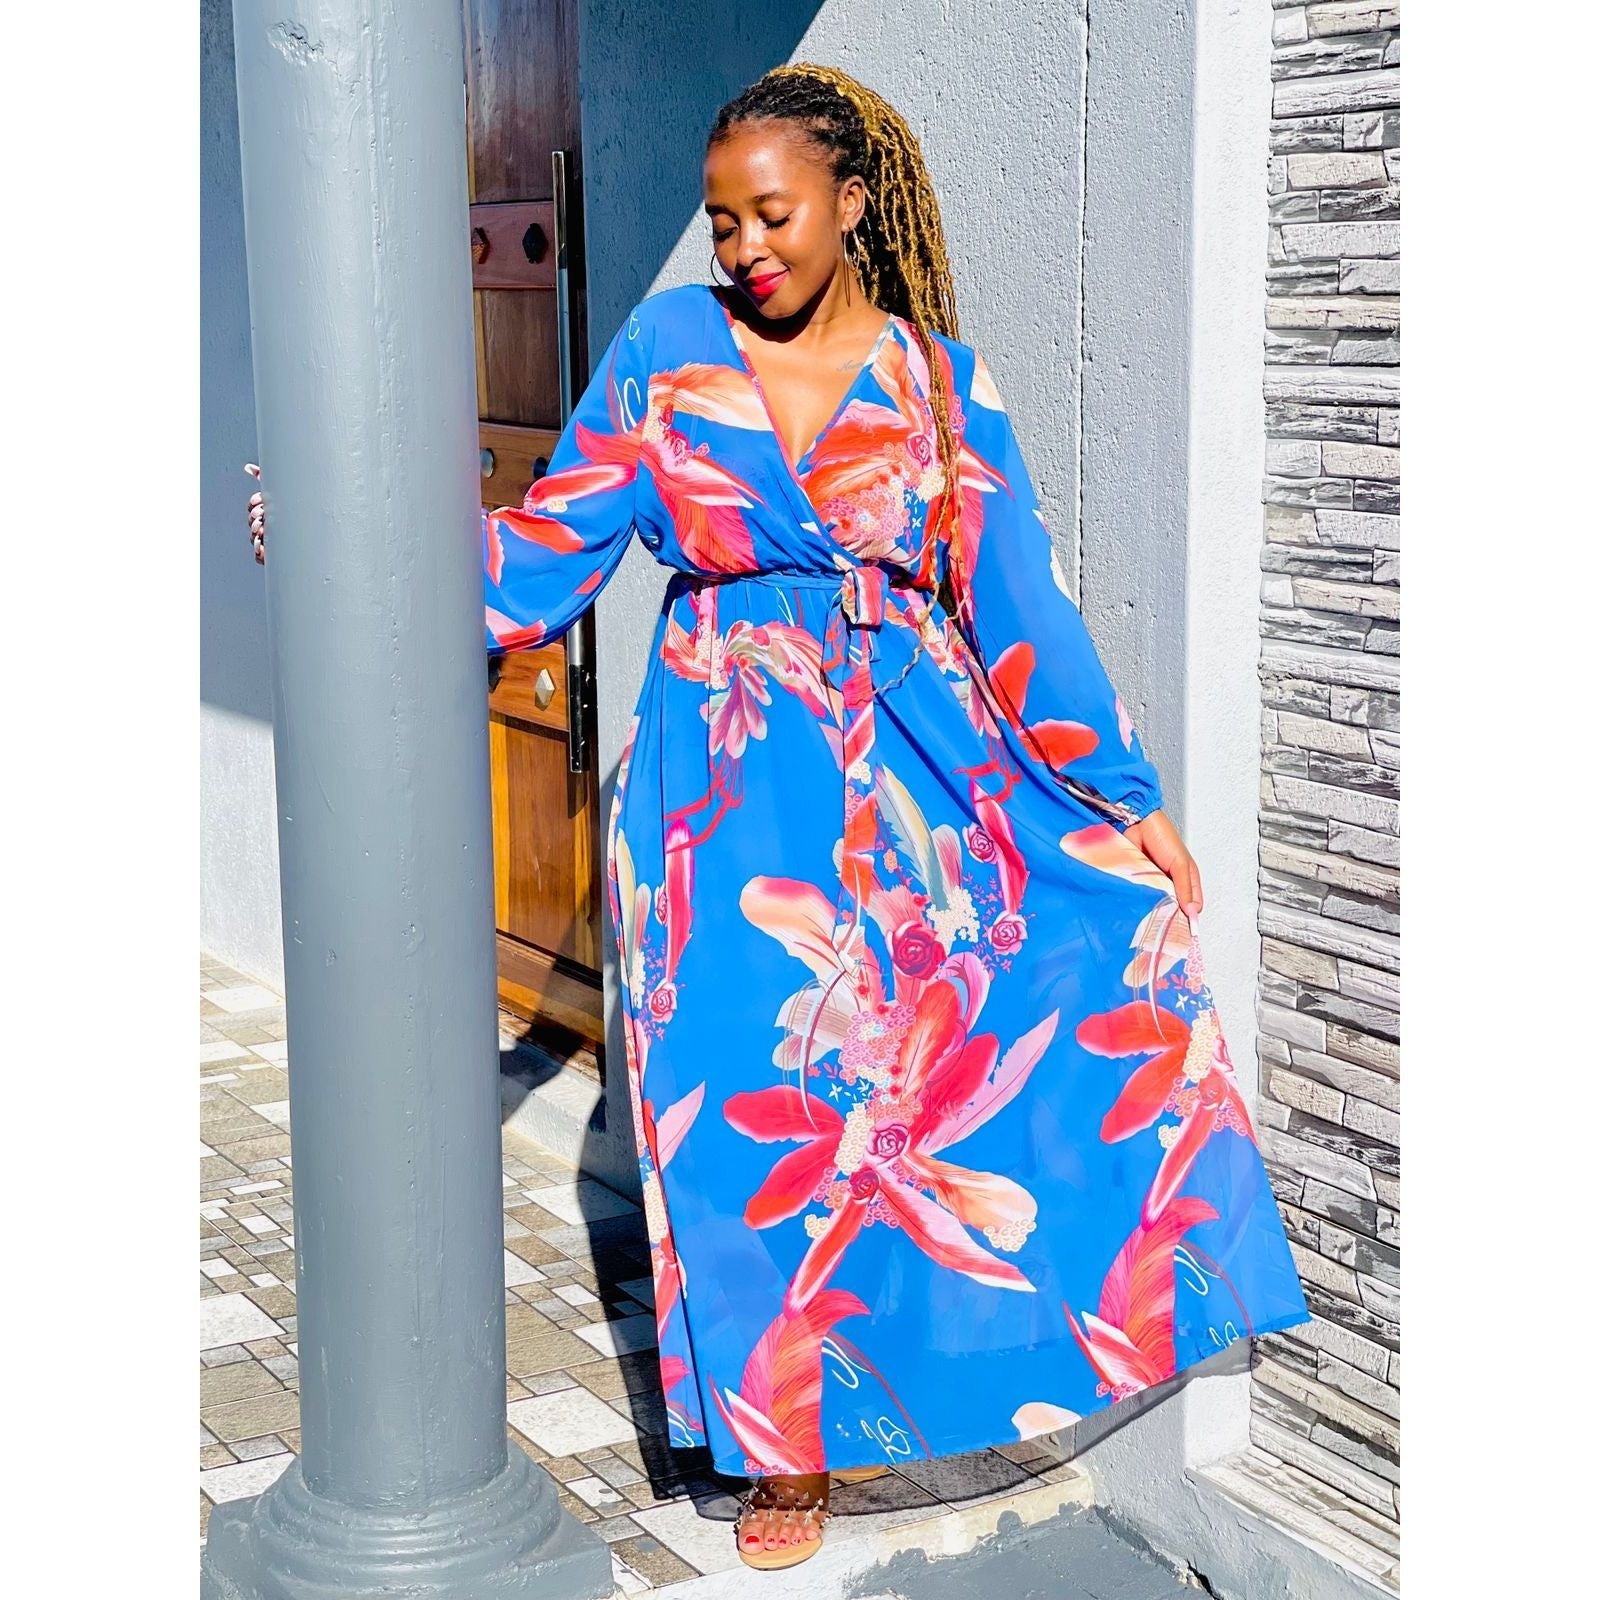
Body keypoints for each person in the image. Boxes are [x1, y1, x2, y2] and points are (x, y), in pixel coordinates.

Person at [250, 62, 1310, 1574]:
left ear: (851, 203)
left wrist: (1123, 802)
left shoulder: (938, 383)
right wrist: (349, 536)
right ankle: (782, 1450)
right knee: (741, 1111)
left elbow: (1017, 601)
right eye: (722, 222)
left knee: (954, 1079)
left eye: (774, 215)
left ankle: (970, 1359)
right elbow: (550, 544)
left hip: (924, 782)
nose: (745, 249)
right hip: (725, 796)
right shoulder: (667, 354)